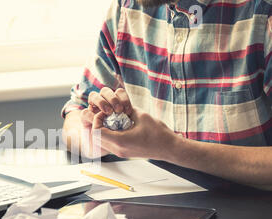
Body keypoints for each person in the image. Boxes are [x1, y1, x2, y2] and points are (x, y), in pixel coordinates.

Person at [62, 0, 272, 188]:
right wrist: (99, 138)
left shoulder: (262, 13)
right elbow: (75, 116)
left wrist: (173, 148)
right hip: (149, 216)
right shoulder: (125, 9)